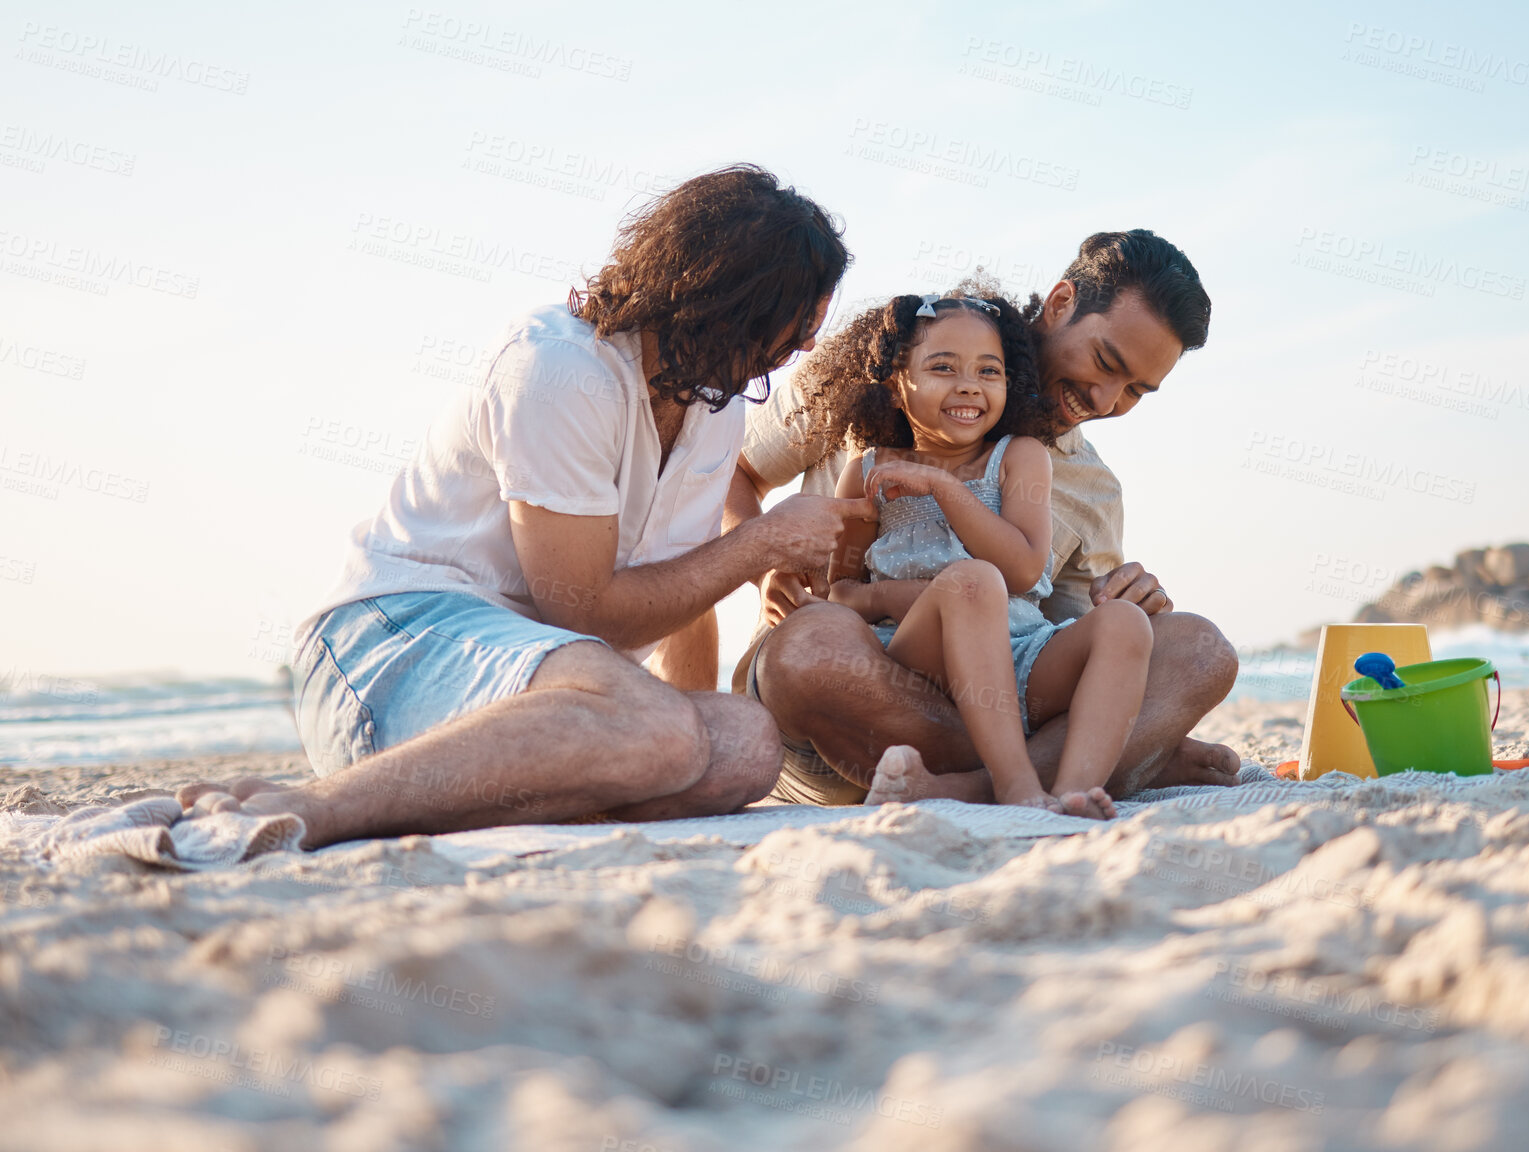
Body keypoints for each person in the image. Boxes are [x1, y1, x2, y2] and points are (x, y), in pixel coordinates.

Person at [178, 165, 869, 847]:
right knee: (660, 733)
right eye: (795, 321)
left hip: (558, 688)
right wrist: (761, 543)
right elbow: (583, 606)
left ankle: (504, 789)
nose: (804, 346)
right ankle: (319, 807)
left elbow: (682, 582)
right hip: (398, 638)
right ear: (730, 302)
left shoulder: (713, 404)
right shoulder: (558, 368)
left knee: (745, 745)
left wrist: (690, 728)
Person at [726, 231, 1243, 806]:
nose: (1104, 400)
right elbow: (736, 474)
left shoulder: (1091, 487)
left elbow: (1057, 643)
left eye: (1135, 391)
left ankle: (987, 784)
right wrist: (763, 563)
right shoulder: (902, 356)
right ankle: (1119, 762)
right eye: (1105, 362)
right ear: (1061, 302)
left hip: (998, 686)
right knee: (809, 648)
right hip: (849, 700)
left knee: (1200, 649)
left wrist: (1131, 600)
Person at [812, 291, 1152, 819]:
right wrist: (891, 594)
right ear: (896, 384)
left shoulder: (1020, 456)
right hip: (925, 661)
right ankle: (1016, 784)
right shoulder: (869, 469)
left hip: (1021, 655)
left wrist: (943, 488)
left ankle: (1074, 793)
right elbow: (840, 592)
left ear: (1009, 385)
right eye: (943, 367)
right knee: (971, 582)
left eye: (988, 371)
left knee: (1126, 623)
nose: (969, 384)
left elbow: (1021, 569)